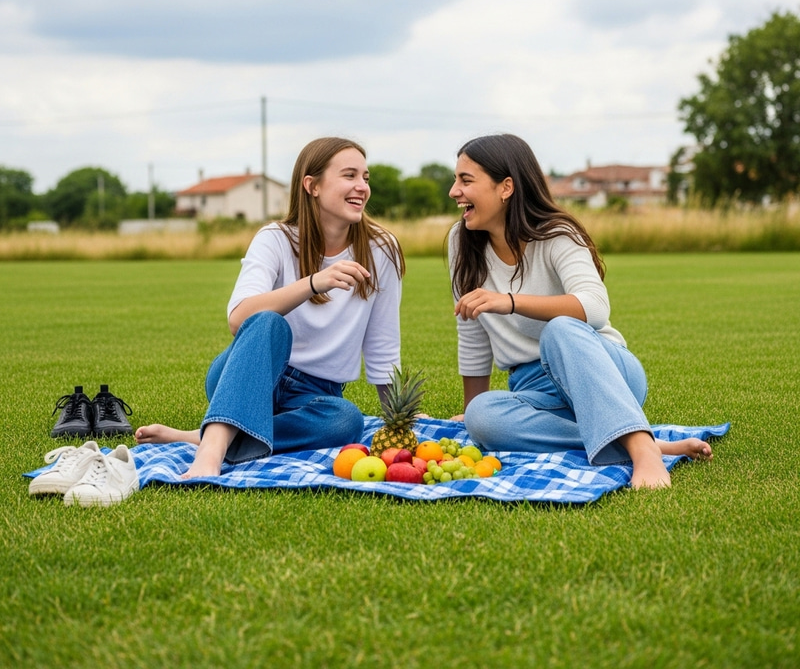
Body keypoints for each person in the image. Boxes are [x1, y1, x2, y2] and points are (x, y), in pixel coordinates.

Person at [447, 133, 712, 489]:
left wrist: (510, 300)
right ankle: (644, 440)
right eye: (455, 180)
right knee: (481, 417)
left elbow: (595, 306)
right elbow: (472, 334)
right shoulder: (460, 241)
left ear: (505, 187)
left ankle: (643, 451)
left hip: (603, 371)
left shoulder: (557, 234)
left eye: (466, 180)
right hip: (535, 391)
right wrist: (470, 410)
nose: (454, 191)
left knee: (561, 328)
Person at [136, 137, 405, 478]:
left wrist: (397, 418)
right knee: (267, 322)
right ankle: (209, 456)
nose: (362, 187)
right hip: (249, 372)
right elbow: (239, 318)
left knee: (346, 420)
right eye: (349, 175)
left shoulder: (382, 248)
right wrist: (313, 283)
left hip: (314, 396)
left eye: (366, 177)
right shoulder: (275, 238)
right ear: (313, 186)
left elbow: (382, 343)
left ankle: (208, 435)